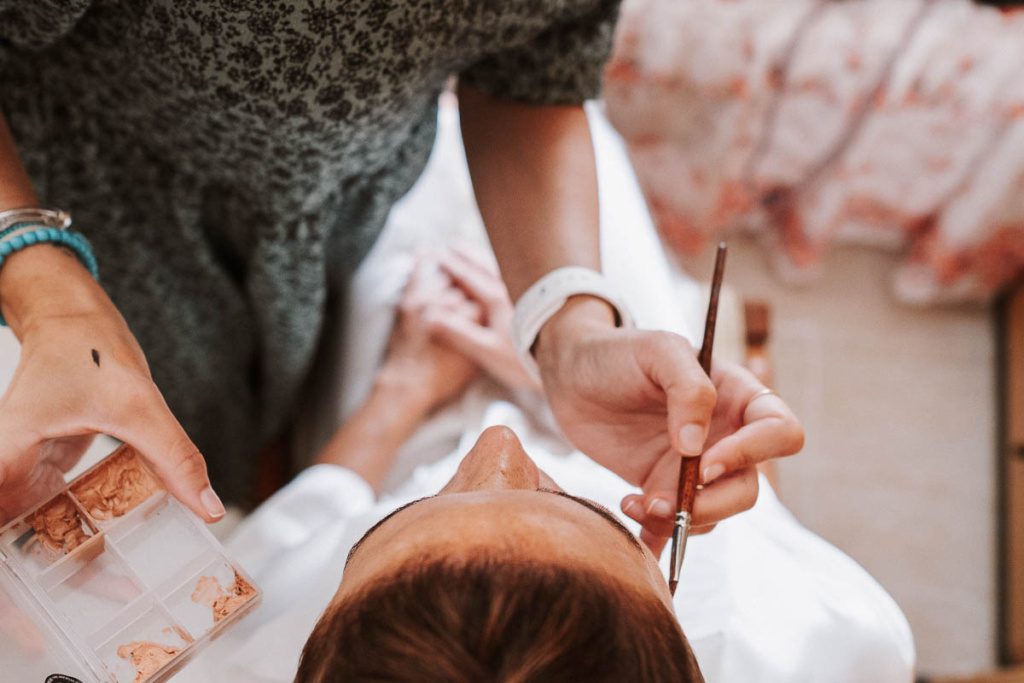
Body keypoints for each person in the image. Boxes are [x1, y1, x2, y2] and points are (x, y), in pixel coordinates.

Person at [0, 3, 799, 558]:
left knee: (244, 402)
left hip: (333, 206)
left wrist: (572, 335)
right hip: (86, 188)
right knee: (168, 410)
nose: (500, 449)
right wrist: (42, 276)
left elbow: (528, 72)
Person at [172, 241, 912, 682]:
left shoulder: (223, 656)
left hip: (403, 409)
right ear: (669, 593)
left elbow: (319, 507)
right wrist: (705, 439)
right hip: (646, 419)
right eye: (578, 511)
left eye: (410, 519)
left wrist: (405, 387)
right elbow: (769, 519)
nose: (498, 448)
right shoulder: (826, 646)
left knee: (402, 254)